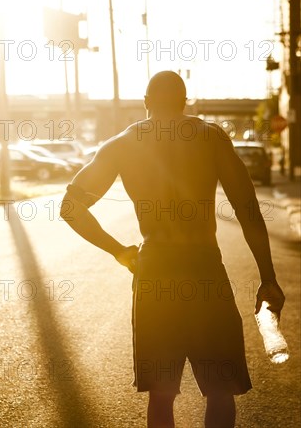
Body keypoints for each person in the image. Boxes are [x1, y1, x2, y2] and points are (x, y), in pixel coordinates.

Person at [60, 71, 285, 428]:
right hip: (204, 269)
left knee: (162, 394)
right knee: (220, 388)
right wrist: (267, 277)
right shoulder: (210, 137)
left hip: (154, 274)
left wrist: (120, 251)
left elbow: (69, 207)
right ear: (184, 102)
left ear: (146, 102)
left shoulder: (122, 144)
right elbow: (248, 210)